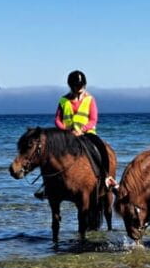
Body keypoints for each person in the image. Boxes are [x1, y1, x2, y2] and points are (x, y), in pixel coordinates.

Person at [34, 70, 111, 199]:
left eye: (81, 85)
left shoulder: (90, 99)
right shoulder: (63, 100)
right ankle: (47, 186)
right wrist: (65, 131)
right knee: (49, 154)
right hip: (66, 135)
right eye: (76, 85)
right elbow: (57, 119)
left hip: (86, 134)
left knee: (100, 148)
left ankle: (106, 177)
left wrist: (82, 130)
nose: (79, 88)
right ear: (71, 86)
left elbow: (93, 119)